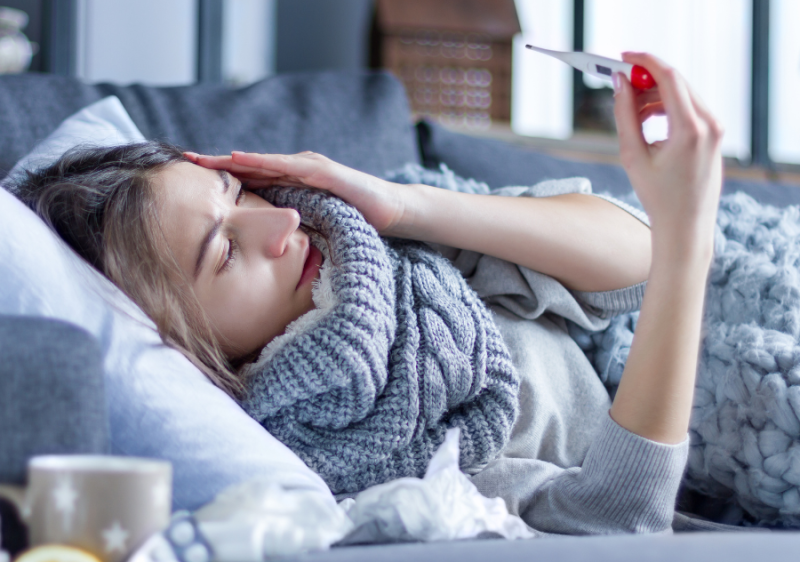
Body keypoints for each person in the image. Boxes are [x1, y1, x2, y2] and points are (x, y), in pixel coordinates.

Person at [12, 53, 724, 534]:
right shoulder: (358, 462)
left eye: (236, 192)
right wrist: (687, 238)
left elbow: (636, 259)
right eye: (224, 250)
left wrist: (407, 206)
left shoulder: (367, 241)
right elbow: (616, 521)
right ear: (175, 340)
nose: (281, 220)